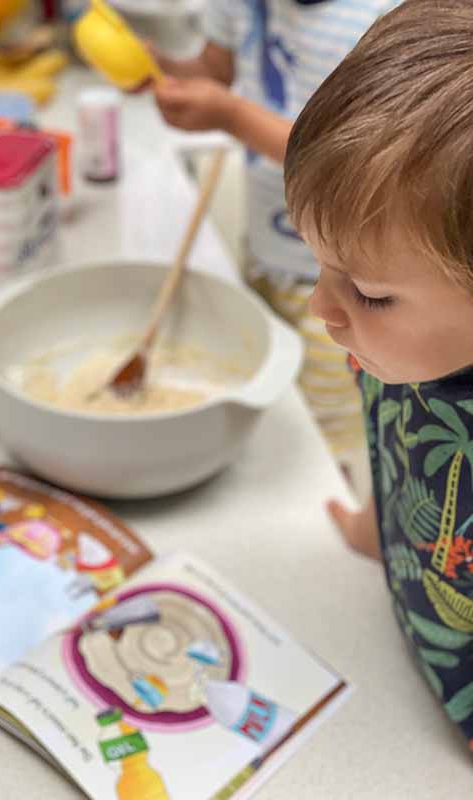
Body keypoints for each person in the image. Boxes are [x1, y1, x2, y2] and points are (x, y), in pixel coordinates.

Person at [284, 0, 473, 748]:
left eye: (367, 293)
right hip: (397, 628)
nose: (320, 307)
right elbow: (388, 442)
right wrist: (374, 528)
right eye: (324, 269)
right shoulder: (390, 349)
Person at [149, 0, 401, 471]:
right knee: (268, 395)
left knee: (323, 430)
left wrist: (231, 116)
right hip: (266, 252)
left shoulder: (376, 18)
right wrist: (160, 67)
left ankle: (334, 493)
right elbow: (213, 71)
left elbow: (348, 163)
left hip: (345, 284)